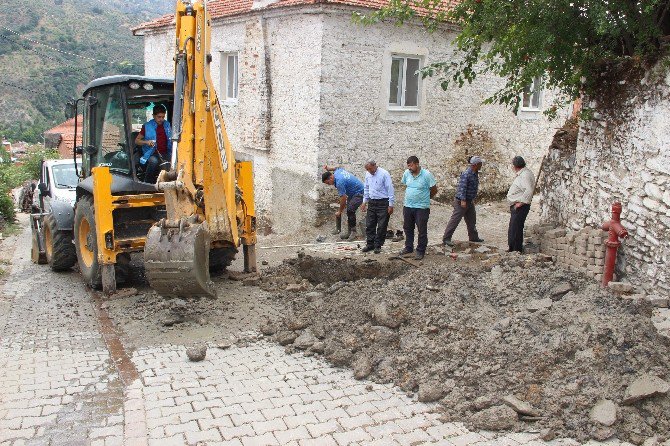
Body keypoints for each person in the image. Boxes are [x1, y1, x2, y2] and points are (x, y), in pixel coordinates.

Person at [399, 156, 437, 260]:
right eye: (408, 166)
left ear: (417, 164)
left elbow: (434, 190)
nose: (409, 168)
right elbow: (406, 185)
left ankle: (420, 250)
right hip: (408, 206)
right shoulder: (407, 173)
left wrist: (425, 198)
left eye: (411, 165)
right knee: (408, 227)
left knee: (421, 229)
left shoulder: (427, 175)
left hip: (421, 207)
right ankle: (409, 247)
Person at [443, 156, 485, 246]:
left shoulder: (475, 173)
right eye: (480, 163)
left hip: (469, 201)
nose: (482, 165)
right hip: (462, 201)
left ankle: (473, 237)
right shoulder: (467, 174)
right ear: (476, 164)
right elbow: (462, 187)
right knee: (455, 220)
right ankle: (446, 238)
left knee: (471, 220)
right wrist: (463, 200)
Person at [360, 160, 395, 254]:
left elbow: (390, 189)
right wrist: (364, 202)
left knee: (382, 225)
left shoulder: (384, 174)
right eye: (367, 169)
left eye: (370, 169)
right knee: (370, 224)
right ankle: (370, 244)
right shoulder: (367, 174)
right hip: (372, 202)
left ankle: (378, 245)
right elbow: (366, 188)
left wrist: (391, 204)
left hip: (383, 202)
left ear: (375, 165)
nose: (369, 171)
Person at [322, 165, 365, 240]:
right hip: (353, 193)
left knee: (350, 209)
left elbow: (343, 198)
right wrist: (329, 168)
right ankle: (349, 232)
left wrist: (339, 211)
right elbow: (338, 167)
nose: (329, 185)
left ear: (331, 177)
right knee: (349, 210)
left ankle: (353, 233)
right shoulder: (337, 172)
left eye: (328, 183)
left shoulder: (339, 182)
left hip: (360, 192)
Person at [135, 105, 172, 184]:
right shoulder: (147, 126)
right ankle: (147, 182)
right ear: (153, 116)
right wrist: (146, 142)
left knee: (176, 160)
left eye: (163, 117)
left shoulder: (167, 125)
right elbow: (137, 141)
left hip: (166, 153)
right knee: (154, 161)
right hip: (152, 154)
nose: (161, 119)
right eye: (159, 117)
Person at [506, 156, 535, 252]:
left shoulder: (525, 175)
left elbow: (529, 190)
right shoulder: (523, 173)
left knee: (516, 228)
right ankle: (513, 248)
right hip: (518, 205)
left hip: (520, 206)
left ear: (515, 166)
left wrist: (521, 203)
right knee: (514, 227)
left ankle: (515, 250)